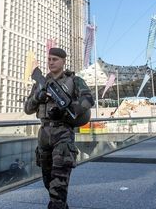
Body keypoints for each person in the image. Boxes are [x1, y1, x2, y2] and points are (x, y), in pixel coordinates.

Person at [24, 47, 94, 209]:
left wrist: (65, 111)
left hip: (63, 133)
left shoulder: (74, 81)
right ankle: (60, 203)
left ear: (63, 61)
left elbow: (88, 99)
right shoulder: (40, 82)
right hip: (44, 135)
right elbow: (28, 108)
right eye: (49, 59)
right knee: (48, 180)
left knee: (59, 181)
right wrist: (38, 97)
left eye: (55, 59)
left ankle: (57, 204)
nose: (51, 62)